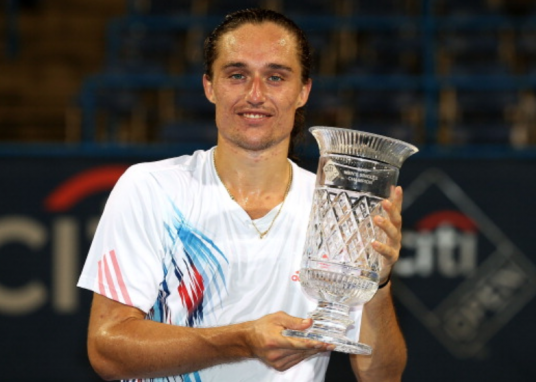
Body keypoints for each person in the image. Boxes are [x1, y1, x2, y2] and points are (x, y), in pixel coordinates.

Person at [78, 8, 407, 382]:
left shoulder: (335, 209)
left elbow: (382, 377)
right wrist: (241, 340)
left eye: (275, 77)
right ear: (209, 86)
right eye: (237, 75)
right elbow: (106, 349)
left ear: (303, 91)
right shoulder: (151, 188)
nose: (255, 94)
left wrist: (377, 284)